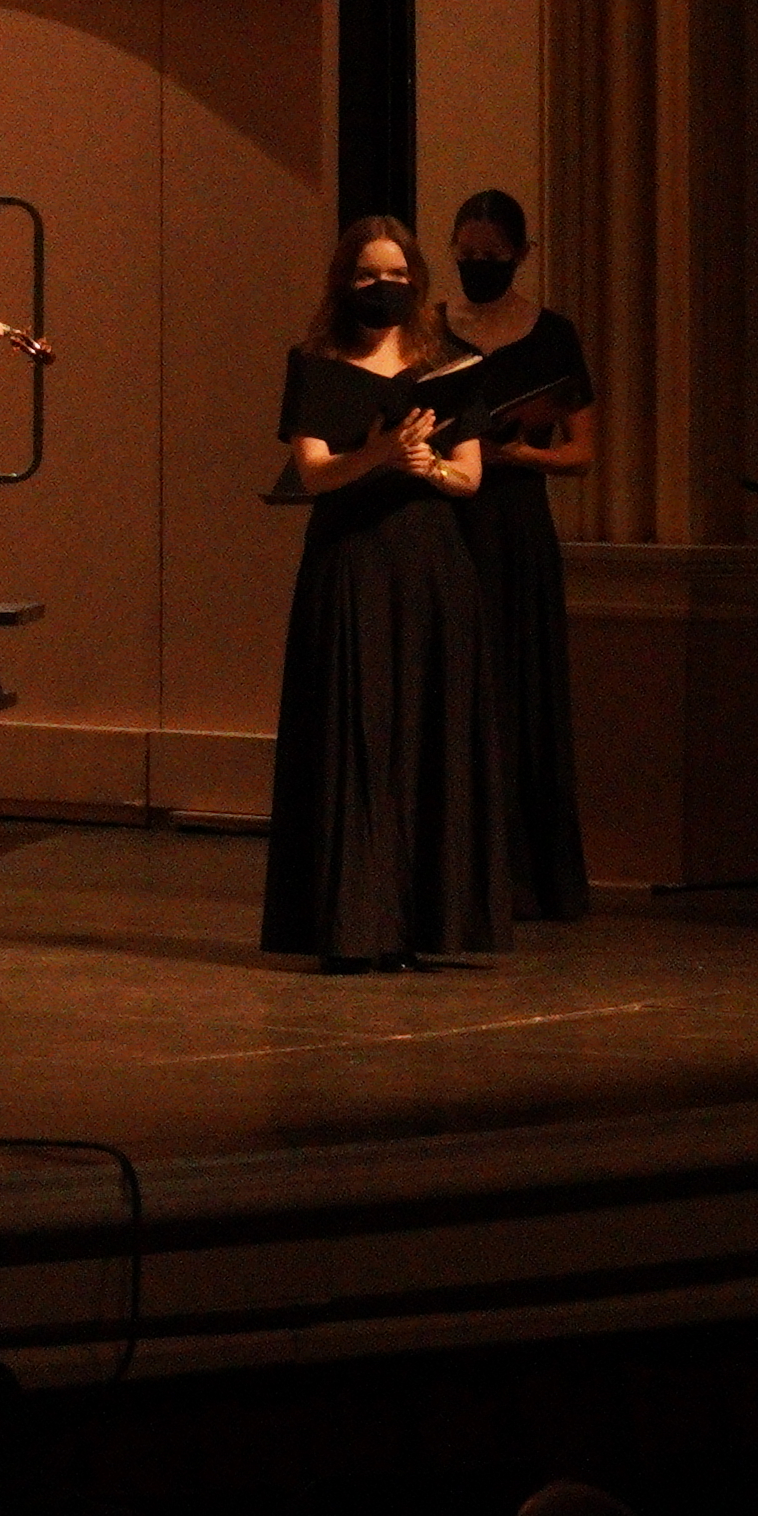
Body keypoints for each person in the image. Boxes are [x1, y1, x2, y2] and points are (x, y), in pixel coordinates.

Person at [261, 215, 521, 971]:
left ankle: (425, 922)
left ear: (417, 281)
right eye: (370, 276)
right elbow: (313, 473)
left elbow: (469, 476)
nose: (385, 288)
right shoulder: (316, 363)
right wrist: (380, 452)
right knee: (357, 731)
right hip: (352, 558)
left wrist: (424, 469)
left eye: (398, 276)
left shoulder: (452, 364)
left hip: (432, 564)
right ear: (346, 282)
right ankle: (353, 925)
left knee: (426, 730)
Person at [439, 186, 595, 916]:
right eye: (467, 256)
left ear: (522, 255)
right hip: (452, 519)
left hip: (518, 526)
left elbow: (583, 454)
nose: (478, 267)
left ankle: (530, 877)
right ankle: (452, 868)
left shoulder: (551, 334)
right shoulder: (433, 329)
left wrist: (518, 456)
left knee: (520, 687)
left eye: (493, 257)